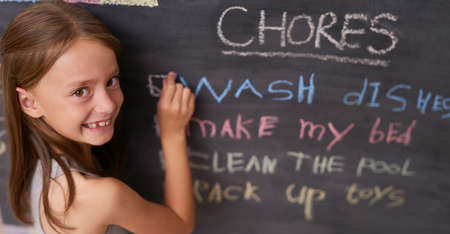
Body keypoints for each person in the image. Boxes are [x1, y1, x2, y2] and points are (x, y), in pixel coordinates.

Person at [0, 1, 195, 233]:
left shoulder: (36, 158)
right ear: (29, 103)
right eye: (80, 91)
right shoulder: (96, 196)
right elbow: (179, 228)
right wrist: (172, 135)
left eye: (111, 80)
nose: (108, 104)